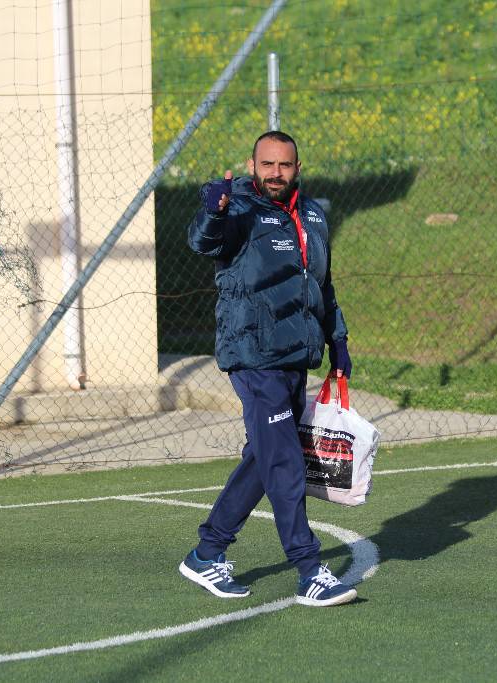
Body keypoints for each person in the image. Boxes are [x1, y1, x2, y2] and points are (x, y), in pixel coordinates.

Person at [178, 131, 357, 607]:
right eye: (266, 165)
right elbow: (204, 241)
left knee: (264, 456)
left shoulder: (314, 214)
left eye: (284, 165)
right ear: (252, 165)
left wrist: (336, 338)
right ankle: (309, 568)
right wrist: (212, 211)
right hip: (254, 355)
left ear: (298, 167)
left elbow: (323, 284)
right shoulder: (237, 207)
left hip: (295, 356)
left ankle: (206, 552)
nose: (275, 174)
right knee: (283, 461)